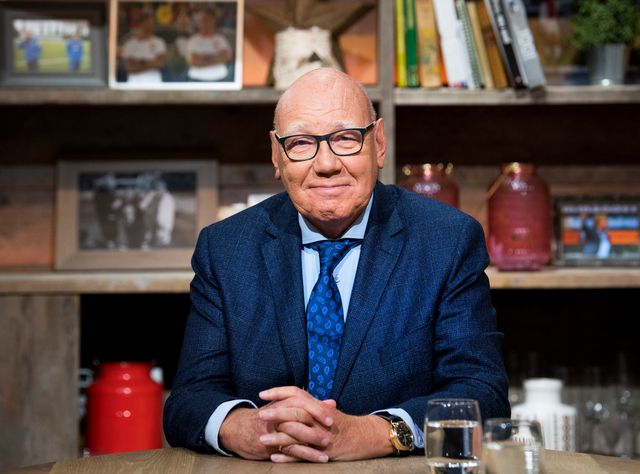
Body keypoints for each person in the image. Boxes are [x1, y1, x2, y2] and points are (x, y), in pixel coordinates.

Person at [164, 68, 509, 462]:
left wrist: (375, 433)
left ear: (379, 143)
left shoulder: (447, 240)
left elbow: (483, 395)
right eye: (300, 143)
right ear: (276, 155)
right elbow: (188, 400)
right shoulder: (225, 248)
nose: (326, 163)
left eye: (345, 138)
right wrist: (245, 427)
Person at [185, 8, 233, 82]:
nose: (205, 22)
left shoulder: (221, 39)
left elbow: (226, 57)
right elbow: (193, 60)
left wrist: (204, 58)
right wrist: (216, 57)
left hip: (220, 79)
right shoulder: (193, 40)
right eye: (203, 20)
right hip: (197, 79)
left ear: (213, 21)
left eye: (208, 19)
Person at [120, 12, 167, 83]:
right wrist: (151, 63)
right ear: (140, 24)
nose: (150, 25)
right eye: (148, 23)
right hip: (134, 83)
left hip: (154, 83)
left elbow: (160, 64)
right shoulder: (130, 44)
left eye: (151, 23)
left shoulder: (159, 42)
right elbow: (129, 67)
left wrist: (139, 62)